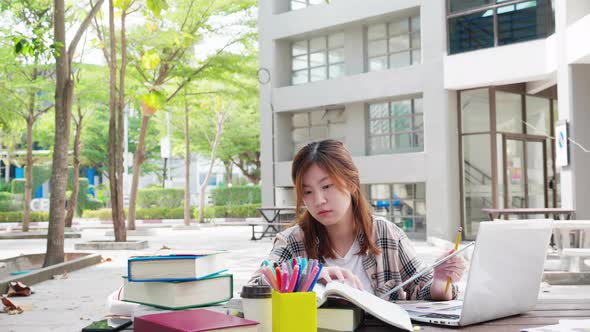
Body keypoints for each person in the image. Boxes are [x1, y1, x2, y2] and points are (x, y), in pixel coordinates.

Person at [249, 139, 465, 301]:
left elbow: (424, 287)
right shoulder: (294, 240)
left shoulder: (385, 233)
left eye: (327, 186)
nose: (319, 200)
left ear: (351, 184)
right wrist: (310, 276)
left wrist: (440, 279)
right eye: (307, 192)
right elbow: (253, 288)